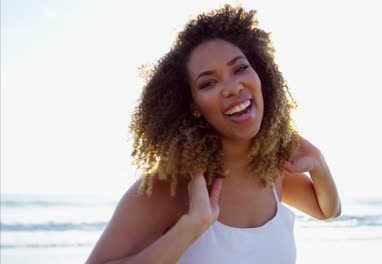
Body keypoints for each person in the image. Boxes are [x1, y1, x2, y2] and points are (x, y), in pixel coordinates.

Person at [86, 4, 340, 264]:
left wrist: (319, 164)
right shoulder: (167, 188)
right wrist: (192, 226)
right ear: (193, 104)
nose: (231, 87)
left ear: (260, 74)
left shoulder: (271, 169)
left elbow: (327, 210)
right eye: (208, 83)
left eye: (240, 68)